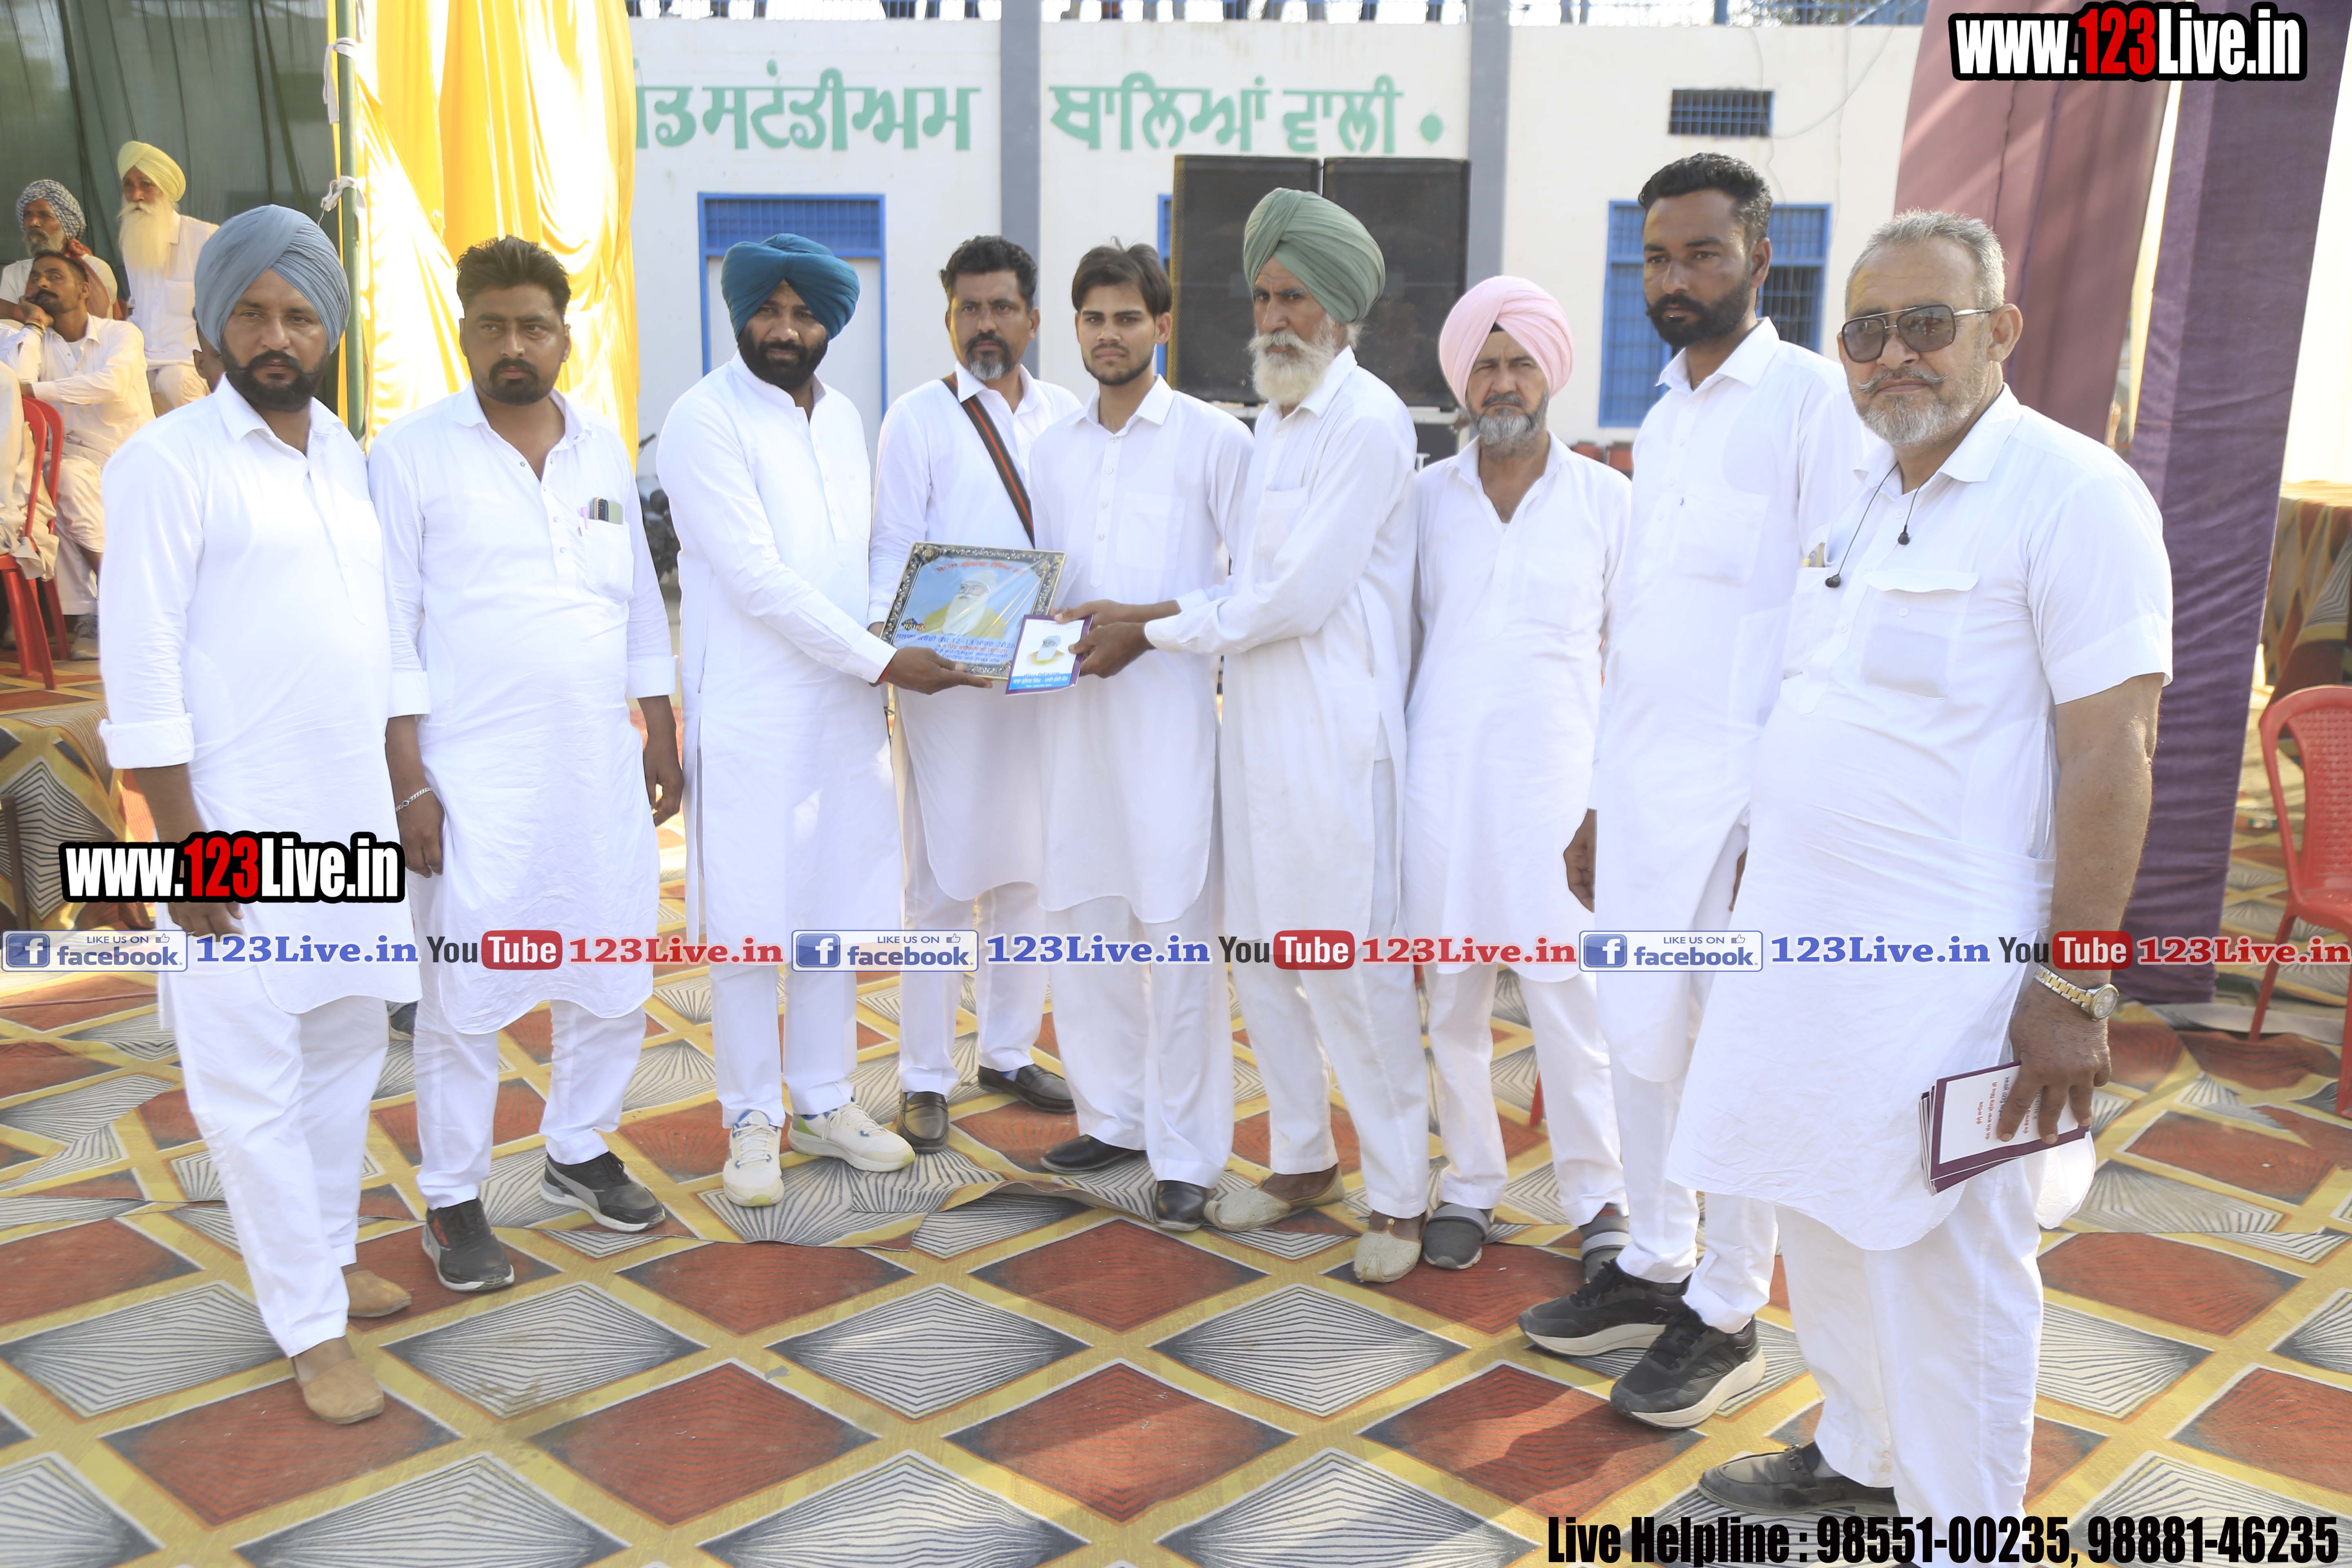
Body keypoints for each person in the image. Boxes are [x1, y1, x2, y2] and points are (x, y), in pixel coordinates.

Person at [1679, 211, 2168, 1514]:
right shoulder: (1860, 492)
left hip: (1960, 976)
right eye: (1867, 331)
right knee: (1826, 1214)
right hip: (1803, 953)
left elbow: (2114, 752)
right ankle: (1862, 1457)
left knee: (1952, 1271)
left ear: (2000, 331)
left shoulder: (2074, 495)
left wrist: (2075, 981)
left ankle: (1966, 1530)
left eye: (1927, 324)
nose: (1894, 354)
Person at [1518, 153, 1865, 1430]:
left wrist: (1787, 816)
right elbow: (1649, 633)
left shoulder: (1814, 404)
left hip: (1744, 812)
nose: (1675, 278)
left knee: (1734, 1054)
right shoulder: (1659, 418)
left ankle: (1728, 1306)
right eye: (1657, 257)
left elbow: (1832, 621)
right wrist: (1597, 800)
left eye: (1703, 254)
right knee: (1639, 1035)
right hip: (1644, 796)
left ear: (1760, 260)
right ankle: (1657, 1259)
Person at [98, 206, 419, 1425]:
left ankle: (325, 1257)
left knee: (343, 1051)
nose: (276, 336)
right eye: (252, 313)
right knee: (249, 1086)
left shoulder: (342, 451)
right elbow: (141, 668)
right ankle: (307, 1325)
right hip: (230, 829)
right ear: (212, 327)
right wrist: (183, 844)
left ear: (329, 330)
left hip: (348, 819)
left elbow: (373, 640)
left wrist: (403, 790)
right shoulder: (166, 462)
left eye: (298, 315)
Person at [1083, 191, 1426, 1282]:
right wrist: (1153, 617)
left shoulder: (1368, 422)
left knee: (1346, 968)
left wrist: (1148, 627)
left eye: (1296, 298)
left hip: (1335, 743)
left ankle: (1400, 1196)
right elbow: (1241, 586)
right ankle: (1300, 1158)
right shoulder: (1272, 420)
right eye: (1264, 296)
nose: (1274, 317)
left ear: (1341, 308)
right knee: (1260, 957)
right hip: (1254, 734)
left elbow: (1294, 598)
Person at [369, 236, 682, 1291]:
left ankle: (578, 1148)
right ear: (464, 331)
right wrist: (410, 780)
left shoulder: (600, 450)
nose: (515, 345)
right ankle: (453, 1195)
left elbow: (638, 603)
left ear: (564, 336)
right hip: (471, 780)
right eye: (494, 326)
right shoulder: (410, 456)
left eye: (534, 327)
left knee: (611, 969)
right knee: (462, 994)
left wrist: (661, 730)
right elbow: (387, 631)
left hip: (595, 768)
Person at [663, 233, 985, 1203]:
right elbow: (756, 579)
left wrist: (904, 623)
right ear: (740, 314)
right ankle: (750, 1117)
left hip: (842, 711)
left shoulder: (844, 417)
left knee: (830, 913)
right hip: (753, 711)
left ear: (829, 326)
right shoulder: (703, 418)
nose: (785, 329)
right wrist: (885, 657)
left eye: (804, 315)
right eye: (769, 310)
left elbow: (869, 554)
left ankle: (823, 1098)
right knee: (750, 924)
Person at [1404, 278, 1628, 1274]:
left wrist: (1609, 799)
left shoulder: (1607, 501)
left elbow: (1632, 664)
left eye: (1519, 364)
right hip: (1442, 787)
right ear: (1462, 380)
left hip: (1559, 795)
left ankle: (1599, 1198)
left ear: (1551, 374)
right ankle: (1469, 1183)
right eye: (1485, 365)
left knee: (1569, 1006)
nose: (1502, 383)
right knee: (1451, 996)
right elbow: (1401, 645)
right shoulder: (1422, 501)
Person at [1028, 243, 1251, 1228]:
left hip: (1169, 726)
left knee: (1176, 931)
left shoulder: (1215, 440)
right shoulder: (1052, 449)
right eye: (1093, 318)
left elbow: (1250, 588)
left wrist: (1145, 628)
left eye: (1127, 318)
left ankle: (1189, 1152)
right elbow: (1044, 583)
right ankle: (1113, 1117)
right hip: (1071, 720)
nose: (1109, 335)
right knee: (1083, 920)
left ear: (1162, 326)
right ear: (1074, 328)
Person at [868, 236, 1079, 1152]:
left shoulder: (1069, 415)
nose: (985, 325)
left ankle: (1006, 1050)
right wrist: (896, 649)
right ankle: (923, 1075)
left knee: (1031, 869)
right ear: (949, 317)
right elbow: (891, 549)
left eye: (1001, 308)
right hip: (946, 681)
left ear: (1033, 318)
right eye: (969, 310)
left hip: (1039, 676)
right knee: (941, 881)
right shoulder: (916, 419)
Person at [1, 250, 150, 633]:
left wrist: (35, 390)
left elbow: (111, 385)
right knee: (53, 480)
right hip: (70, 461)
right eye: (36, 278)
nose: (42, 283)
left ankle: (112, 602)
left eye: (55, 276)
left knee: (61, 477)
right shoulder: (32, 340)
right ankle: (96, 611)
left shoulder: (121, 333)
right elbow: (16, 384)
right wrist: (33, 326)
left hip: (130, 458)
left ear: (84, 290)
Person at [116, 141, 216, 414]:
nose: (136, 195)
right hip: (145, 361)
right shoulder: (133, 240)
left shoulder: (206, 238)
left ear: (165, 189)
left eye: (146, 185)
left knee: (174, 381)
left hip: (189, 364)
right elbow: (140, 310)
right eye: (128, 185)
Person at [1, 181, 120, 321]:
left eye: (44, 215)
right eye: (28, 215)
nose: (33, 222)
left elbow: (101, 327)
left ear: (66, 225)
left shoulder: (96, 269)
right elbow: (8, 329)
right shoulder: (14, 273)